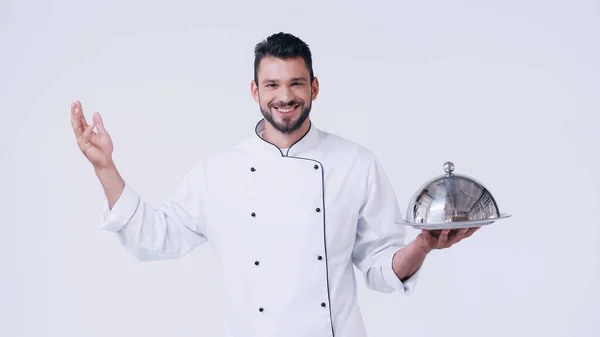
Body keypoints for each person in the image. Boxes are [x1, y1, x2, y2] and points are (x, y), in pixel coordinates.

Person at [70, 32, 479, 337]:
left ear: (314, 88)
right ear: (255, 91)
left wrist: (422, 245)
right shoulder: (219, 171)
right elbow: (155, 238)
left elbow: (379, 267)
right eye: (272, 85)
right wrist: (106, 168)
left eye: (296, 83)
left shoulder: (356, 164)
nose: (285, 96)